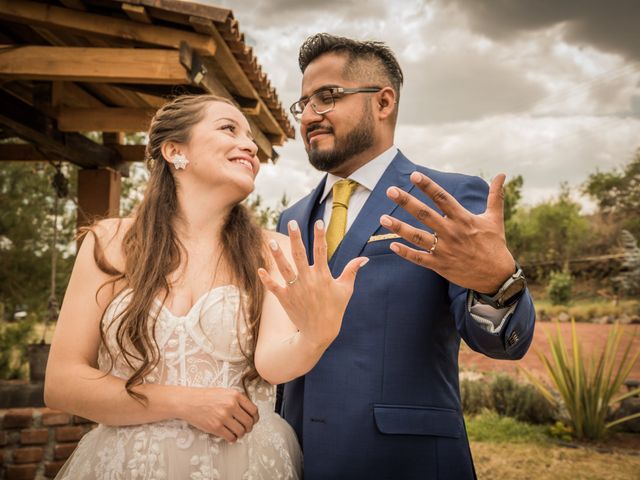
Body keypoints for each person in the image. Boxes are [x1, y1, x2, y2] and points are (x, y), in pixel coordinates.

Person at [44, 94, 369, 479]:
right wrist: (183, 402)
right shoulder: (108, 242)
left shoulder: (273, 249)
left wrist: (317, 335)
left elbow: (273, 364)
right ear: (174, 150)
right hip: (126, 464)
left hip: (242, 463)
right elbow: (62, 383)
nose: (249, 145)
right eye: (228, 129)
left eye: (250, 137)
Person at [277, 33, 536, 479]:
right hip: (295, 454)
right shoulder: (289, 220)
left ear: (383, 102)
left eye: (328, 96)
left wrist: (498, 283)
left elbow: (497, 341)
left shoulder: (449, 198)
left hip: (405, 460)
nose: (310, 116)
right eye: (304, 104)